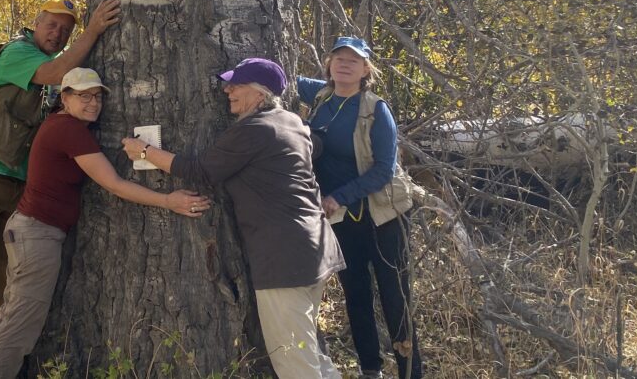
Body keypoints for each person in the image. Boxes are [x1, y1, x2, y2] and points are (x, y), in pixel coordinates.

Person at [0, 68, 210, 379]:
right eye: (83, 96)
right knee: (21, 324)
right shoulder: (68, 129)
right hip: (36, 235)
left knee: (9, 316)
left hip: (28, 231)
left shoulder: (63, 126)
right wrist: (168, 201)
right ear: (64, 98)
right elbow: (114, 184)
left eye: (98, 96)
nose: (93, 103)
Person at [0, 0, 121, 379]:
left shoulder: (53, 62)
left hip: (17, 182)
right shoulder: (19, 53)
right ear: (34, 23)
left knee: (0, 269)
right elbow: (57, 70)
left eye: (65, 30)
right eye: (52, 25)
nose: (58, 33)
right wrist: (94, 29)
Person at [122, 58, 345, 379]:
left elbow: (199, 171)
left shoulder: (256, 129)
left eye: (236, 85)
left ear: (259, 94)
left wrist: (144, 152)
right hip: (315, 248)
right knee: (311, 353)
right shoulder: (291, 121)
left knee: (296, 362)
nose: (227, 90)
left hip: (284, 259)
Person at [298, 37, 423, 379]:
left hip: (383, 217)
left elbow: (384, 170)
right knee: (356, 295)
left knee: (395, 300)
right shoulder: (320, 96)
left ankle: (411, 372)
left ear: (366, 69)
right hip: (341, 220)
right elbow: (280, 78)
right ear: (329, 63)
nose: (344, 64)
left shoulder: (375, 109)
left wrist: (340, 196)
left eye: (353, 60)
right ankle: (371, 370)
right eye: (338, 57)